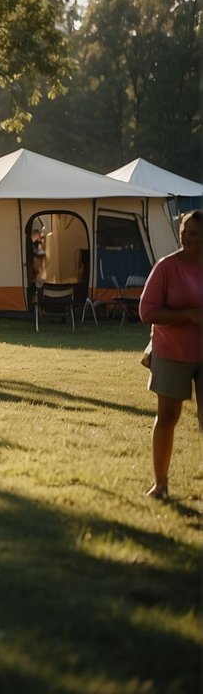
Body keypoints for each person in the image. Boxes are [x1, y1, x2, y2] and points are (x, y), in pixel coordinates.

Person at [139, 210, 202, 500]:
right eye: (187, 232)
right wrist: (187, 314)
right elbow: (147, 312)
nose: (191, 239)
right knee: (167, 416)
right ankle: (160, 484)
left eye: (198, 234)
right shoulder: (166, 267)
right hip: (171, 352)